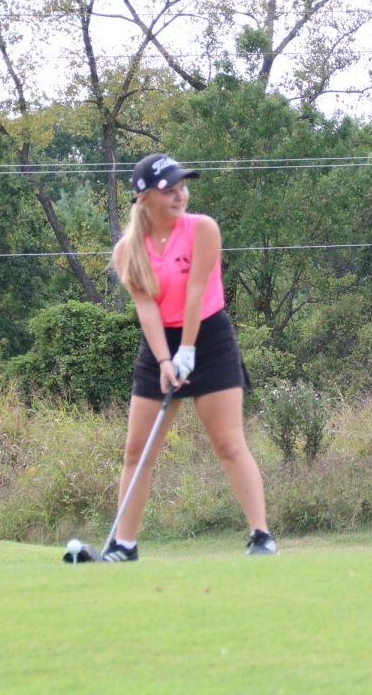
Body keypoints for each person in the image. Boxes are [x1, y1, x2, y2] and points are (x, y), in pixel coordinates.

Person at [105, 152, 277, 561]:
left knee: (228, 443)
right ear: (145, 197)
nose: (181, 194)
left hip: (210, 336)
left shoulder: (203, 229)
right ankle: (124, 544)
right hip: (158, 345)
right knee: (137, 451)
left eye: (183, 185)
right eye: (170, 188)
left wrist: (188, 350)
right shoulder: (128, 250)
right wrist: (166, 361)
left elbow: (197, 292)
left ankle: (261, 535)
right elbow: (146, 308)